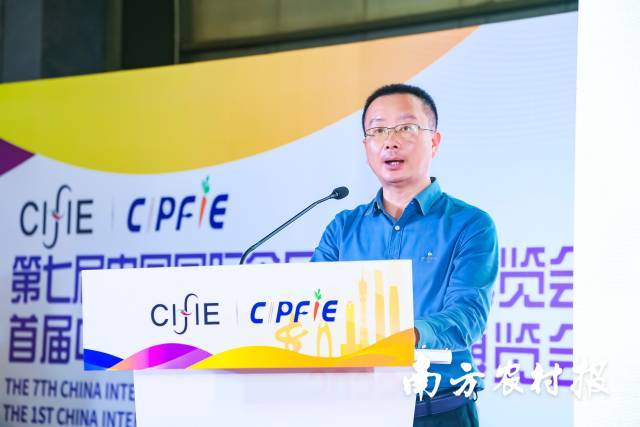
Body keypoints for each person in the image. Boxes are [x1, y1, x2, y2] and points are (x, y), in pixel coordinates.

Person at [311, 83, 498, 426]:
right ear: (366, 146)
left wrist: (408, 335)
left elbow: (468, 316)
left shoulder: (470, 224)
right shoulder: (343, 228)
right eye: (378, 130)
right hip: (355, 409)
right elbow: (312, 304)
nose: (390, 141)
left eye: (406, 128)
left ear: (434, 142)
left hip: (438, 411)